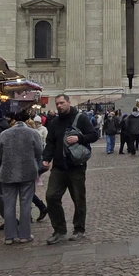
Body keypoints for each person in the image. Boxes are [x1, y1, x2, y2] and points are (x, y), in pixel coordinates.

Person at [42, 93, 99, 244]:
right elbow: (50, 143)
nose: (59, 106)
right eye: (57, 104)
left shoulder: (81, 118)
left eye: (62, 103)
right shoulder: (54, 122)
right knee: (51, 197)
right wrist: (46, 159)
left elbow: (94, 135)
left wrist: (79, 138)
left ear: (68, 102)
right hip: (59, 167)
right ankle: (59, 230)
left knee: (78, 199)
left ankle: (79, 229)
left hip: (76, 167)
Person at [0, 110, 41, 244]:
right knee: (25, 204)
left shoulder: (4, 134)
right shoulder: (33, 133)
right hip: (27, 171)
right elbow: (39, 151)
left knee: (9, 205)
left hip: (7, 171)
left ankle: (9, 236)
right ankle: (25, 235)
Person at [27, 114, 48, 221]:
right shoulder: (32, 134)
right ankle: (39, 208)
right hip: (29, 166)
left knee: (26, 191)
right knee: (27, 191)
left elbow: (39, 151)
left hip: (30, 166)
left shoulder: (34, 134)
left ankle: (29, 214)